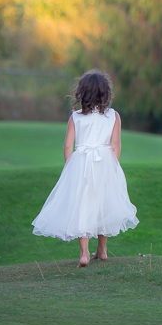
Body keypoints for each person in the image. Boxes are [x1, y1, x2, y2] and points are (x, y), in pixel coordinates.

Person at [32, 69, 138, 266]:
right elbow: (116, 144)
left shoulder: (76, 117)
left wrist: (71, 168)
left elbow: (67, 146)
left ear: (82, 93)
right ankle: (102, 250)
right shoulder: (114, 116)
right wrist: (113, 167)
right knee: (103, 205)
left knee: (83, 206)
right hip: (105, 164)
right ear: (105, 93)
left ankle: (84, 254)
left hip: (82, 165)